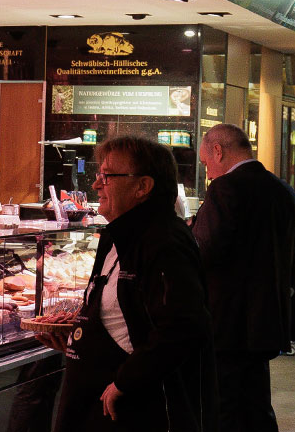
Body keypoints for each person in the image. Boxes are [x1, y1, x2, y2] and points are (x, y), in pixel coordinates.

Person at [39, 135, 211, 431]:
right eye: (98, 175)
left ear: (143, 186)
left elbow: (182, 326)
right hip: (91, 401)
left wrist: (125, 382)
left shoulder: (165, 243)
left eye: (107, 176)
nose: (96, 185)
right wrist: (75, 338)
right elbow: (121, 315)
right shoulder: (116, 236)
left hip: (135, 410)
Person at [190, 124, 295, 432]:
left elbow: (204, 249)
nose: (207, 171)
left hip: (229, 322)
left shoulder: (225, 188)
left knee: (226, 407)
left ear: (218, 151)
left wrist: (186, 236)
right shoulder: (282, 189)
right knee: (256, 403)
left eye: (206, 162)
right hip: (267, 319)